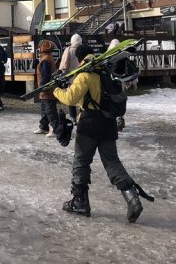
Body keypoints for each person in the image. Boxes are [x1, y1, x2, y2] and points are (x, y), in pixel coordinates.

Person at [53, 44, 146, 222]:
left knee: (81, 162)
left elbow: (70, 99)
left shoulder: (84, 75)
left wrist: (56, 90)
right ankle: (132, 197)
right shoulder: (105, 73)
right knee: (112, 161)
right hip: (108, 123)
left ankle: (80, 202)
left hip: (88, 124)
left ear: (79, 59)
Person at [34, 40, 60, 137]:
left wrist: (43, 87)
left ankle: (56, 130)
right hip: (45, 89)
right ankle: (43, 127)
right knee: (44, 109)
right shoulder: (47, 57)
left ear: (43, 48)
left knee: (50, 110)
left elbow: (45, 75)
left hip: (47, 89)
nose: (39, 48)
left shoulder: (45, 60)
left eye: (40, 47)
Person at [59, 33, 83, 120]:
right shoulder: (84, 49)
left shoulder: (68, 50)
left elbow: (64, 65)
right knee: (82, 97)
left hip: (71, 78)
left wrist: (63, 75)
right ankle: (81, 116)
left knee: (71, 97)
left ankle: (73, 117)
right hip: (83, 78)